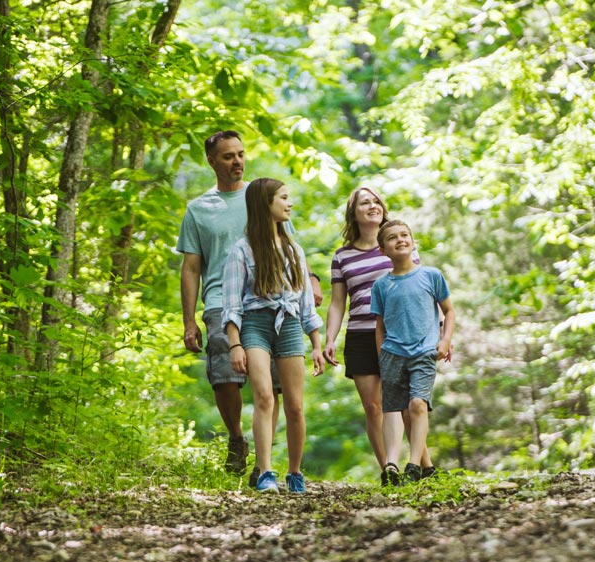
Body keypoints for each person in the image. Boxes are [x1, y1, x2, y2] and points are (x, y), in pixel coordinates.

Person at [177, 131, 322, 481]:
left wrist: (311, 279)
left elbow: (290, 246)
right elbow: (191, 267)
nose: (237, 161)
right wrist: (188, 321)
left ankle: (263, 464)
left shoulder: (262, 196)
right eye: (228, 156)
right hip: (220, 302)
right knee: (225, 378)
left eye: (241, 154)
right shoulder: (199, 209)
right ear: (212, 161)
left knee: (270, 389)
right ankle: (237, 437)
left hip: (273, 305)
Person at [323, 186, 436, 485]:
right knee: (375, 407)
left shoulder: (399, 244)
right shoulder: (342, 256)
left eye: (376, 201)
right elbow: (337, 303)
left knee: (409, 404)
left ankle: (425, 468)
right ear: (354, 213)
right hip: (361, 336)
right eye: (364, 203)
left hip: (401, 336)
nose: (372, 206)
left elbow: (420, 291)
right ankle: (390, 470)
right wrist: (329, 339)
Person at [222, 178, 325, 493]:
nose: (289, 203)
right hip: (254, 324)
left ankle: (294, 473)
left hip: (290, 324)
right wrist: (235, 344)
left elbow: (307, 303)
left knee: (294, 405)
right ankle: (265, 472)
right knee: (264, 397)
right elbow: (231, 305)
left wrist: (317, 344)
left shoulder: (294, 249)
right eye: (283, 198)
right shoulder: (241, 250)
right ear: (264, 203)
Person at [369, 219, 455, 485]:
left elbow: (449, 311)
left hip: (424, 353)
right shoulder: (381, 286)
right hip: (393, 354)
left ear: (413, 241)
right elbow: (379, 326)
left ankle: (414, 464)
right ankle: (393, 464)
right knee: (393, 408)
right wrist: (382, 356)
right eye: (393, 238)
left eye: (404, 235)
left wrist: (445, 340)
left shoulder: (431, 276)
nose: (400, 240)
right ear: (383, 250)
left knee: (417, 404)